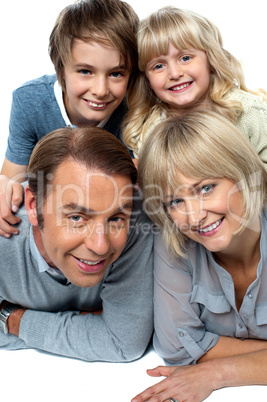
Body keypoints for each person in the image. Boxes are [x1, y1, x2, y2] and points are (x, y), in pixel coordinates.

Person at [132, 111, 267, 401]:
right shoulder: (174, 242)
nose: (195, 216)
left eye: (206, 188)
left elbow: (194, 350)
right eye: (176, 201)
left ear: (243, 175)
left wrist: (218, 372)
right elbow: (178, 347)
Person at [0, 126, 154, 362]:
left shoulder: (136, 222)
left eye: (115, 219)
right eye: (77, 218)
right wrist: (85, 324)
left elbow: (123, 342)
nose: (101, 246)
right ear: (33, 205)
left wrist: (14, 319)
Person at [0, 0, 139, 237]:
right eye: (85, 71)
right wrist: (5, 188)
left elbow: (139, 183)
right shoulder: (30, 100)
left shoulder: (135, 106)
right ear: (61, 69)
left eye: (116, 73)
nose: (101, 89)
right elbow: (12, 177)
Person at [123, 6, 267, 161]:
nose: (174, 74)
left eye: (185, 58)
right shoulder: (150, 131)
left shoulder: (246, 111)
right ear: (147, 80)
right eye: (159, 66)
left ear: (211, 59)